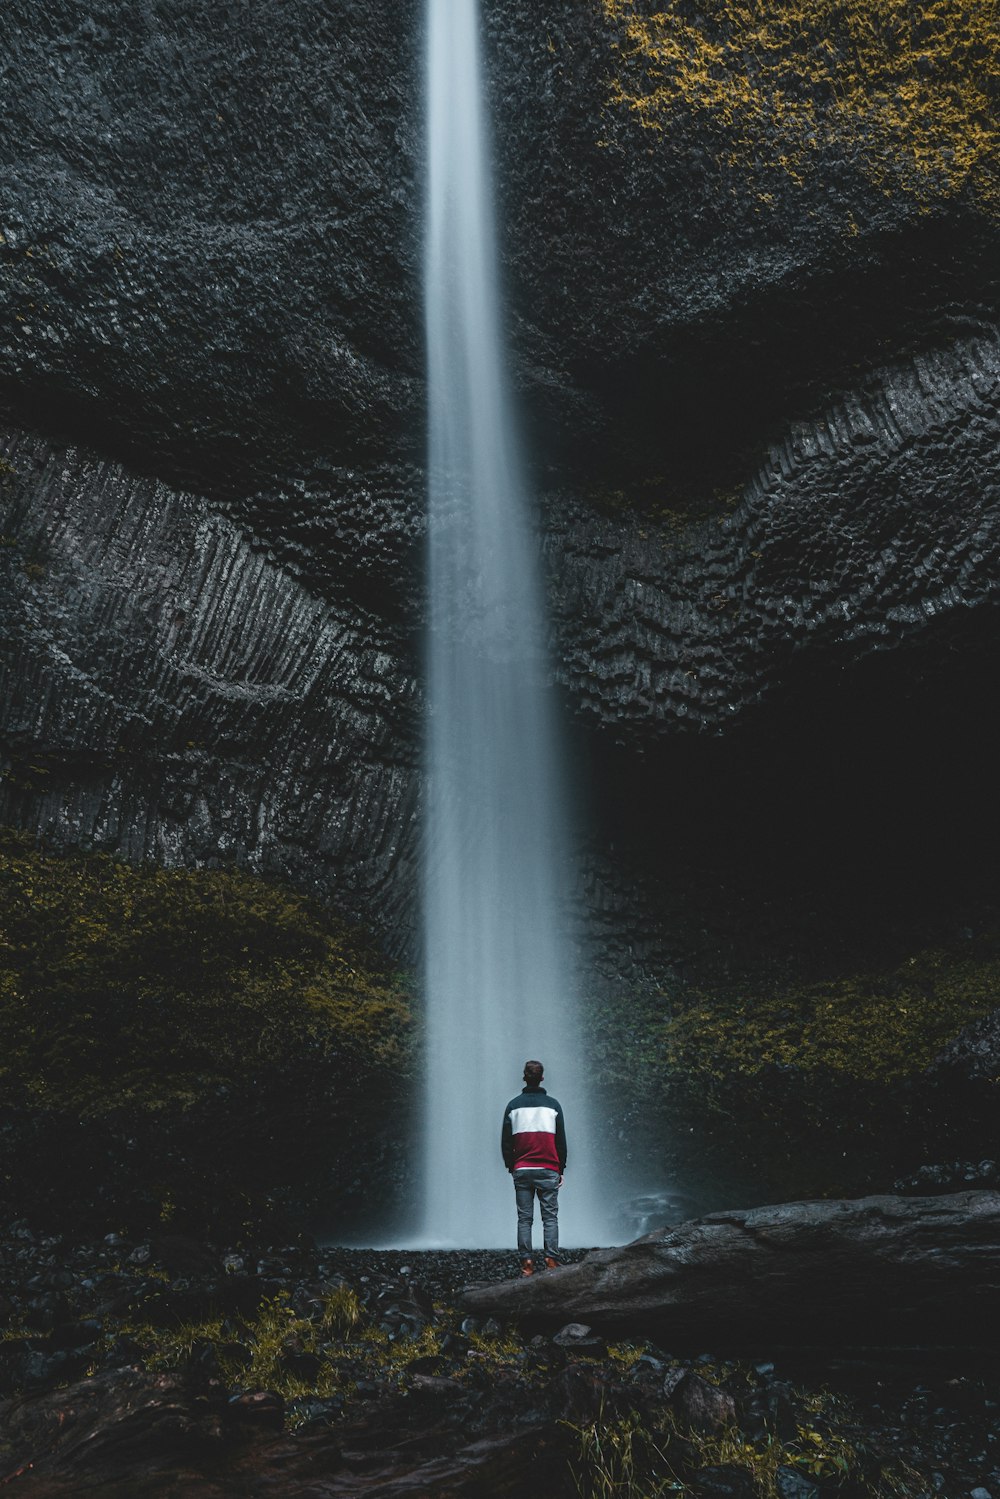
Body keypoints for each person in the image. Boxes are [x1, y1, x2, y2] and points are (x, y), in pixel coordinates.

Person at [501, 1059, 567, 1276]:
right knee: (550, 1217)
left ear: (524, 1077)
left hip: (523, 1169)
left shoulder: (513, 1106)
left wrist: (512, 1166)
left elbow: (506, 1142)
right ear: (542, 1078)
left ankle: (527, 1262)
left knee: (524, 1218)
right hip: (548, 1168)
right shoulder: (554, 1106)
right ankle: (550, 1259)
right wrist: (561, 1169)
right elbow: (560, 1141)